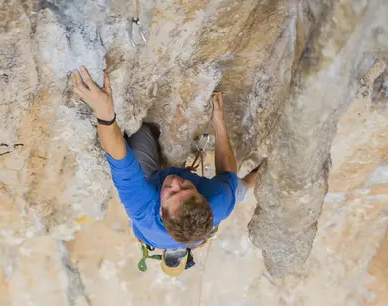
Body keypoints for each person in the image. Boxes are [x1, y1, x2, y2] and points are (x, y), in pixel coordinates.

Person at [70, 67, 257, 260]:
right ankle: (255, 180)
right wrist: (219, 124)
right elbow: (228, 175)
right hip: (193, 228)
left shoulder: (143, 208)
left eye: (173, 193)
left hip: (151, 227)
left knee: (139, 133)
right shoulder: (219, 202)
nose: (176, 181)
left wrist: (104, 111)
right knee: (238, 189)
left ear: (160, 211)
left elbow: (120, 160)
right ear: (201, 196)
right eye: (187, 187)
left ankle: (181, 246)